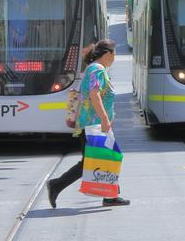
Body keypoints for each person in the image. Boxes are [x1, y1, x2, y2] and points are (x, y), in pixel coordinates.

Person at [46, 40, 130, 208]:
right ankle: (56, 185)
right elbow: (94, 94)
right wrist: (105, 119)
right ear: (107, 54)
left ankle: (111, 195)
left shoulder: (95, 69)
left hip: (93, 124)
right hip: (94, 125)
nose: (115, 57)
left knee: (105, 158)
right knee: (96, 160)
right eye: (114, 54)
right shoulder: (97, 70)